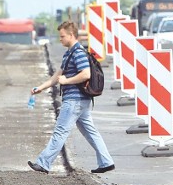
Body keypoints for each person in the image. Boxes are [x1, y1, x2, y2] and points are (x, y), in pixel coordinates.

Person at [27, 21, 114, 175]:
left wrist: (67, 81)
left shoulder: (78, 53)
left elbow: (85, 74)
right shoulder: (69, 53)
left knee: (60, 131)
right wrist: (40, 88)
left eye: (62, 36)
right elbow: (57, 76)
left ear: (71, 35)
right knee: (90, 132)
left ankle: (43, 163)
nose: (60, 39)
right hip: (80, 101)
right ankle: (106, 162)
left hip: (75, 100)